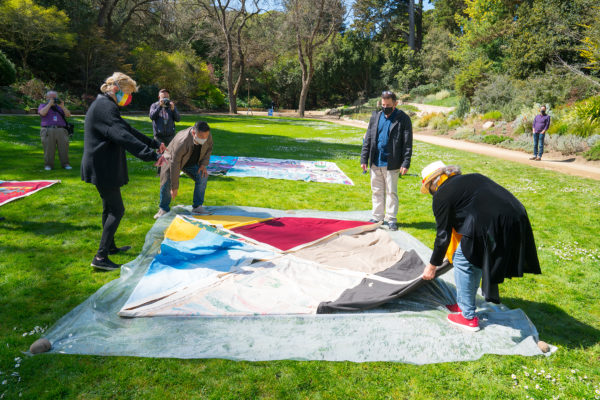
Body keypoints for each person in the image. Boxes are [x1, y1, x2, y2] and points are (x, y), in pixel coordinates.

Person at [420, 161, 541, 331]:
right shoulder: (470, 179)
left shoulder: (442, 194)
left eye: (429, 189)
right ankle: (464, 304)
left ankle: (467, 317)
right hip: (516, 215)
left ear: (434, 182)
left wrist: (432, 266)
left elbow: (443, 235)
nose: (431, 193)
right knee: (473, 257)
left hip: (492, 223)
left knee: (463, 261)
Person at [81, 72, 167, 271]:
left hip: (102, 164)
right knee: (117, 210)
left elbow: (125, 128)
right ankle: (100, 257)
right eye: (128, 93)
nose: (129, 97)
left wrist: (153, 143)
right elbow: (121, 135)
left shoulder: (105, 105)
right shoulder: (105, 106)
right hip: (102, 166)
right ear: (116, 89)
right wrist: (151, 155)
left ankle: (109, 247)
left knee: (108, 208)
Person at [360, 90, 413, 231]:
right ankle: (377, 217)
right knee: (376, 191)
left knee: (391, 192)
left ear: (395, 104)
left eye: (388, 104)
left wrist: (406, 162)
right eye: (383, 104)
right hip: (375, 161)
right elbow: (368, 139)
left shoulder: (403, 119)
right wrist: (364, 158)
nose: (385, 107)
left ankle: (391, 219)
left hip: (392, 162)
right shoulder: (375, 117)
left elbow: (408, 143)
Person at [154, 121, 213, 219]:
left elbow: (209, 148)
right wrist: (174, 187)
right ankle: (163, 209)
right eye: (201, 136)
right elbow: (175, 163)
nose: (204, 139)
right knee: (167, 181)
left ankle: (197, 207)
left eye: (206, 136)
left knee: (203, 176)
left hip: (191, 162)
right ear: (194, 133)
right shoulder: (182, 141)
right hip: (171, 160)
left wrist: (203, 164)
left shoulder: (207, 135)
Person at [38, 91, 72, 170]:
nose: (53, 99)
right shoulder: (42, 105)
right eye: (51, 97)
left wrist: (63, 106)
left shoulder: (60, 107)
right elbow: (42, 113)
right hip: (47, 129)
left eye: (54, 97)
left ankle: (65, 164)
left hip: (61, 129)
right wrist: (49, 104)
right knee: (48, 149)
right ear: (47, 98)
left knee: (64, 148)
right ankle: (48, 165)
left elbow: (68, 115)